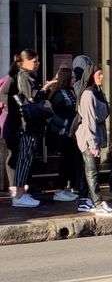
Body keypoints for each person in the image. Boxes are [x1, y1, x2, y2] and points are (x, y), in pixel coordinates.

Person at [7, 49, 56, 207]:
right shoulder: (24, 76)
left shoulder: (25, 76)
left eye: (38, 61)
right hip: (26, 125)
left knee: (26, 159)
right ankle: (19, 196)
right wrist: (44, 96)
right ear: (24, 61)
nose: (37, 64)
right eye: (34, 61)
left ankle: (22, 193)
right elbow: (31, 99)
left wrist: (44, 89)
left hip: (28, 125)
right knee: (24, 159)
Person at [74, 64, 112, 216]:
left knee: (89, 169)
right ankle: (98, 202)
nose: (102, 77)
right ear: (91, 75)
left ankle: (84, 199)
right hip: (88, 136)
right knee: (92, 170)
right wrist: (93, 144)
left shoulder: (98, 92)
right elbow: (89, 120)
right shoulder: (88, 94)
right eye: (99, 74)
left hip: (95, 135)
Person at [48, 68, 80, 202]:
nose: (74, 80)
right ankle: (59, 190)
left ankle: (66, 188)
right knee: (63, 162)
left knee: (70, 162)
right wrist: (66, 123)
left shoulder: (70, 91)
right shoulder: (58, 94)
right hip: (63, 132)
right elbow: (54, 114)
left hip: (71, 132)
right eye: (71, 78)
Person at [0, 57, 21, 199]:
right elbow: (4, 96)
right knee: (11, 156)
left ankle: (15, 186)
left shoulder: (12, 80)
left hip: (9, 124)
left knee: (12, 155)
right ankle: (12, 187)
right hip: (7, 125)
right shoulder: (11, 81)